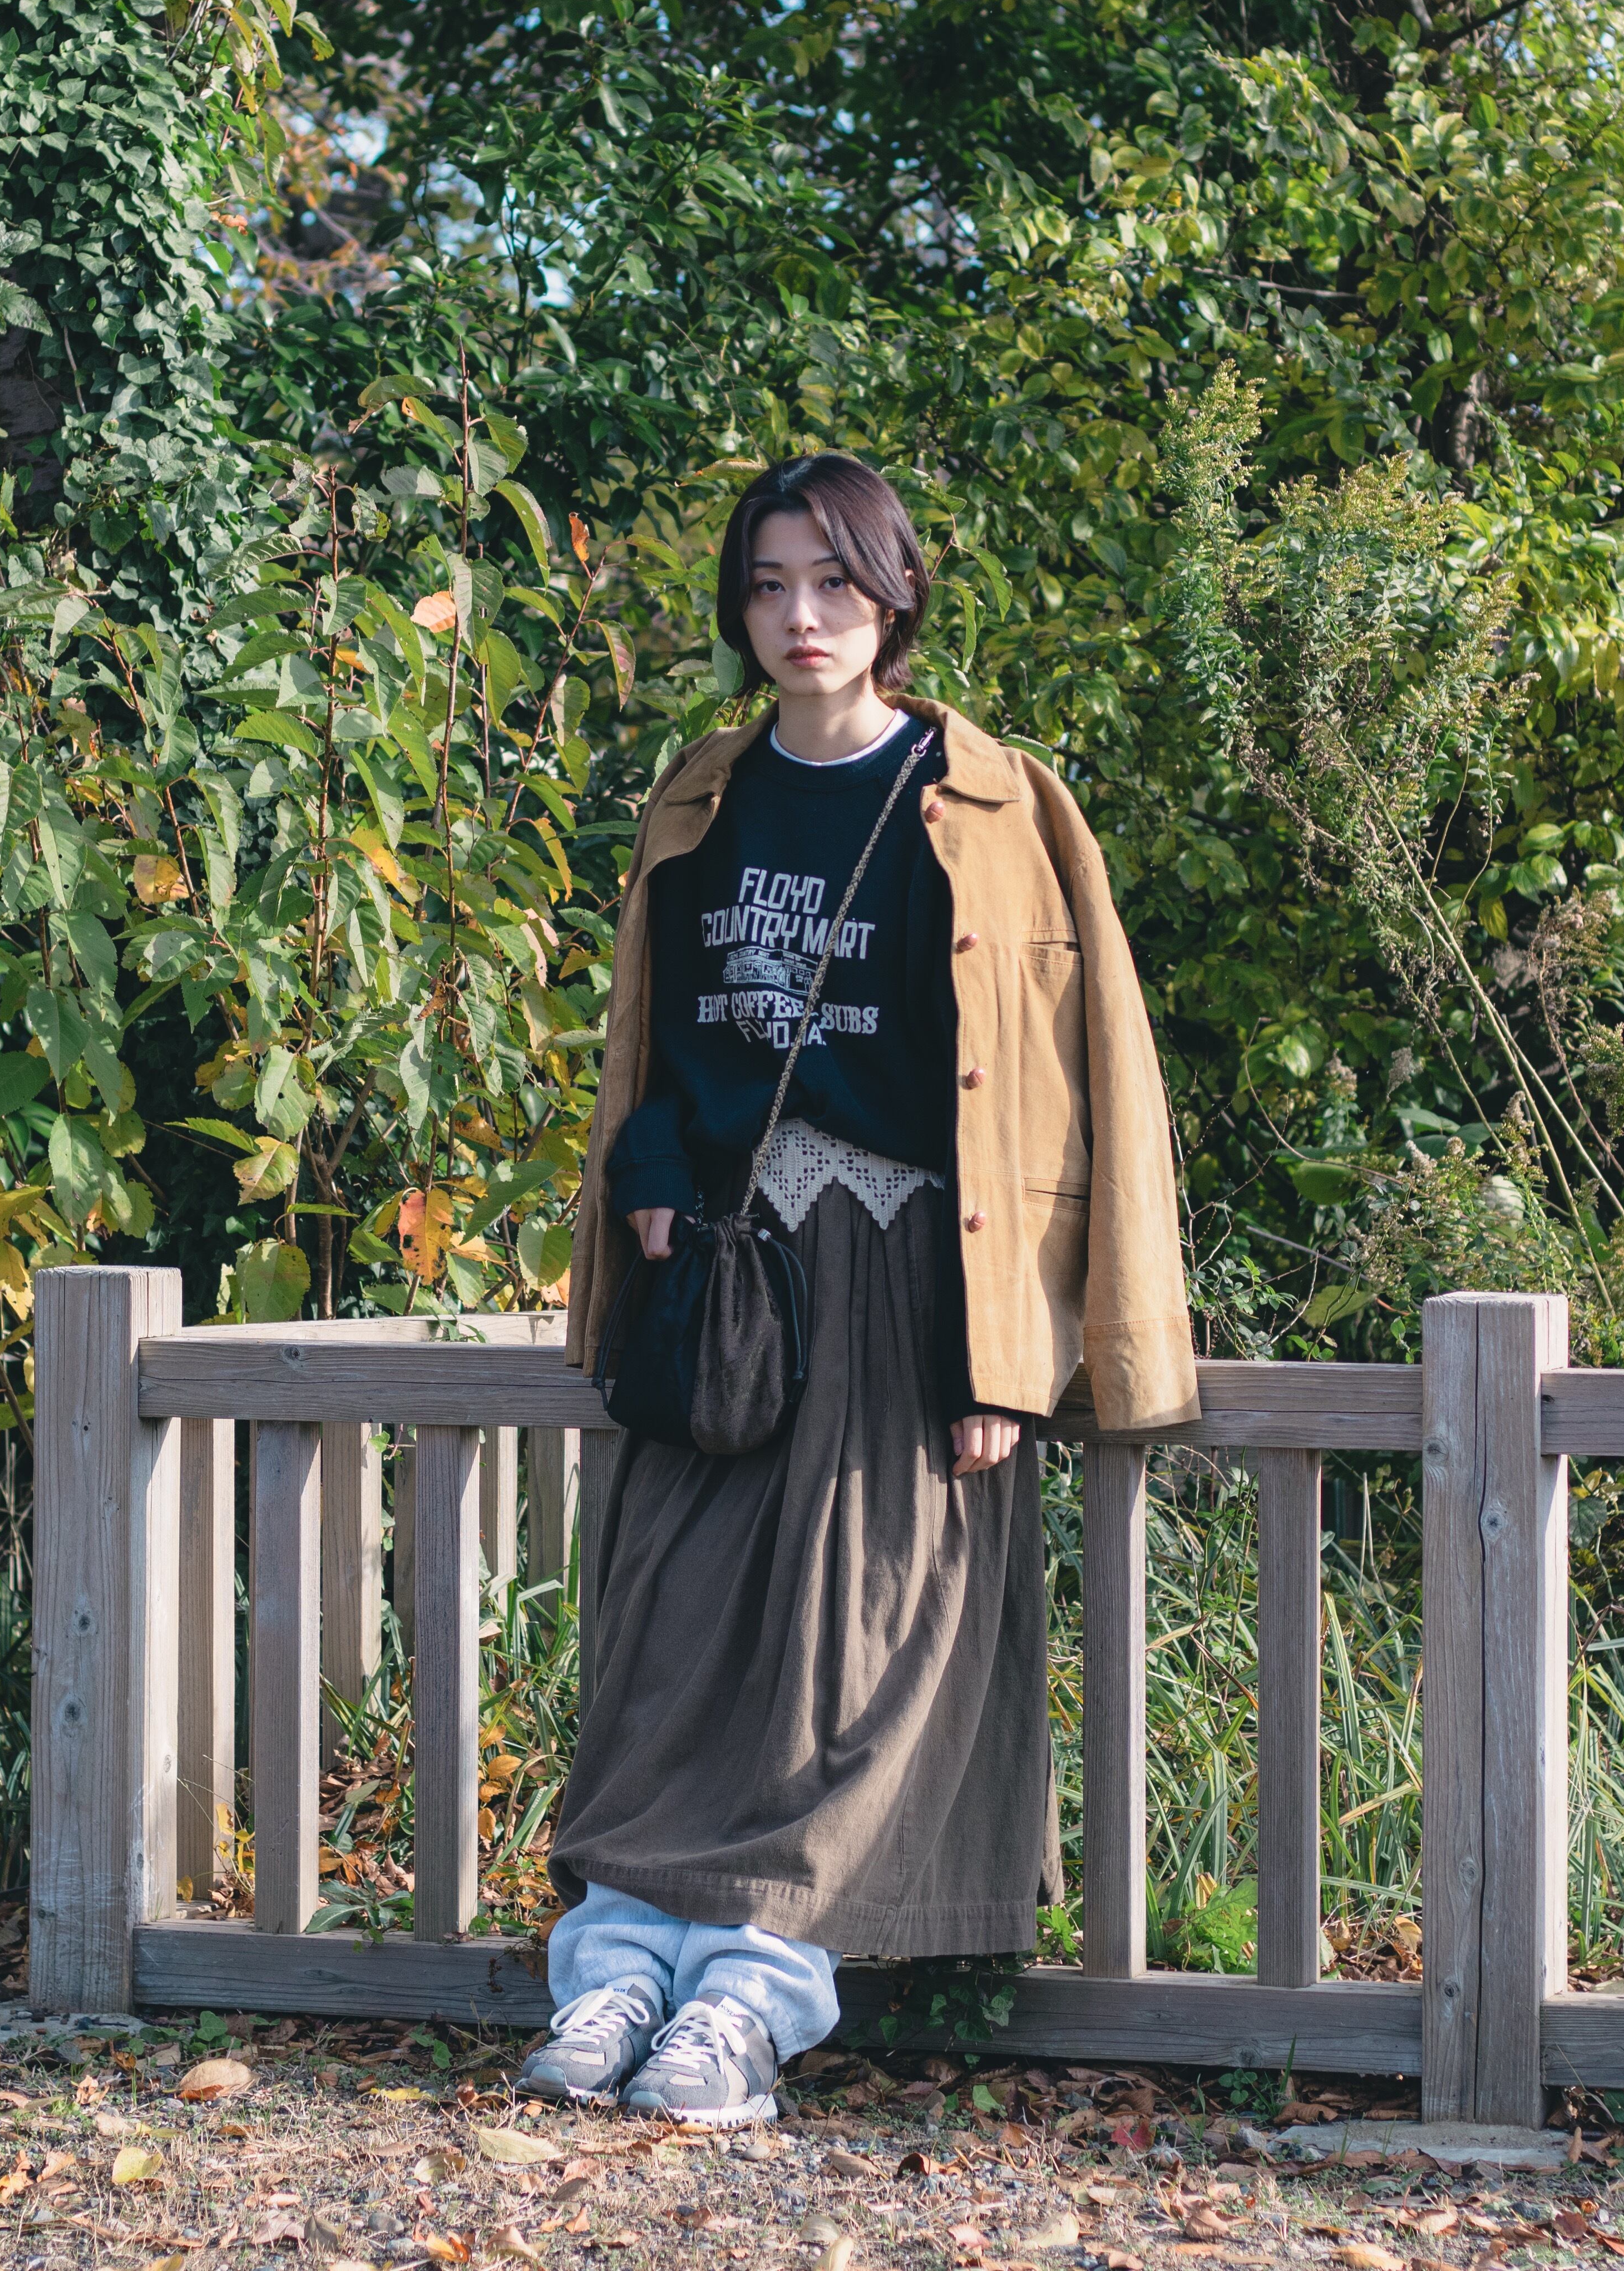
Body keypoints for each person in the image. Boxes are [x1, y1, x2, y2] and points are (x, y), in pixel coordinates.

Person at [520, 452, 1198, 2126]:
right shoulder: (703, 794)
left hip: (913, 1275)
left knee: (860, 1648)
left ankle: (744, 2005)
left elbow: (1064, 1086)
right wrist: (652, 1184)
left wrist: (1012, 1352)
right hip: (723, 1280)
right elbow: (657, 1038)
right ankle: (616, 1970)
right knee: (670, 1634)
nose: (800, 616)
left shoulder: (1001, 806)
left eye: (833, 581)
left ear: (893, 597)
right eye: (768, 584)